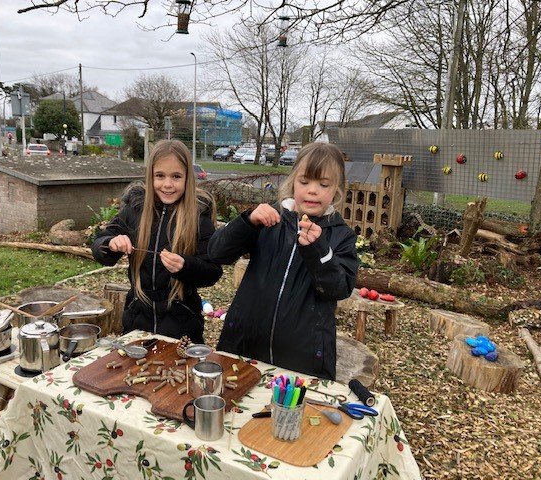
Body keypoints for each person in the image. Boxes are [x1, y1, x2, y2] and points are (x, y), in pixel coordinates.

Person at [208, 142, 358, 380]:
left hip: (303, 358)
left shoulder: (341, 236)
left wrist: (318, 249)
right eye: (305, 181)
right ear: (293, 182)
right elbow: (216, 253)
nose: (312, 190)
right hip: (245, 345)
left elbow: (339, 288)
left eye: (323, 184)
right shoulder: (271, 221)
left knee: (294, 415)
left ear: (336, 190)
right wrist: (247, 221)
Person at [92, 139, 222, 343]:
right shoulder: (134, 210)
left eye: (176, 177)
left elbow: (213, 272)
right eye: (160, 176)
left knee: (178, 374)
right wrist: (110, 243)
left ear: (188, 179)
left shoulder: (199, 219)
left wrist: (186, 266)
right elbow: (99, 244)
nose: (167, 184)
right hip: (137, 323)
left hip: (182, 329)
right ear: (150, 176)